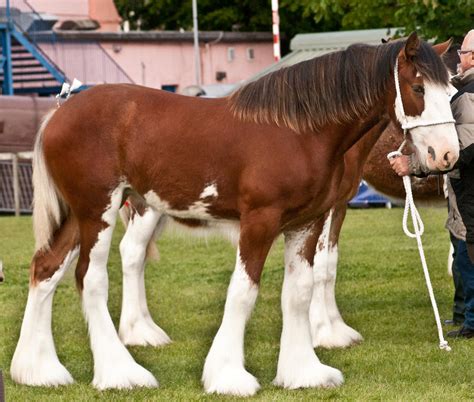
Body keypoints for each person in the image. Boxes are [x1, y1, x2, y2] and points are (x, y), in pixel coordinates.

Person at [390, 29, 474, 338]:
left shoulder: (470, 95)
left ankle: (472, 322)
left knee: (467, 255)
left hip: (469, 191)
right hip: (463, 192)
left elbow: (460, 152)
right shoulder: (462, 91)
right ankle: (463, 313)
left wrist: (412, 165)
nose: (458, 59)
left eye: (462, 54)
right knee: (461, 250)